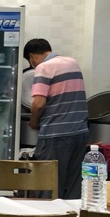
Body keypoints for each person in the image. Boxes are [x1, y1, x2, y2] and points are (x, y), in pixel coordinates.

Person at [24, 38, 89, 199]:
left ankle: (49, 215)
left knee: (49, 186)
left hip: (55, 135)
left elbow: (38, 104)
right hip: (79, 133)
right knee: (73, 186)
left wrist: (33, 121)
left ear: (32, 57)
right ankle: (71, 215)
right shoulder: (73, 63)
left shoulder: (44, 67)